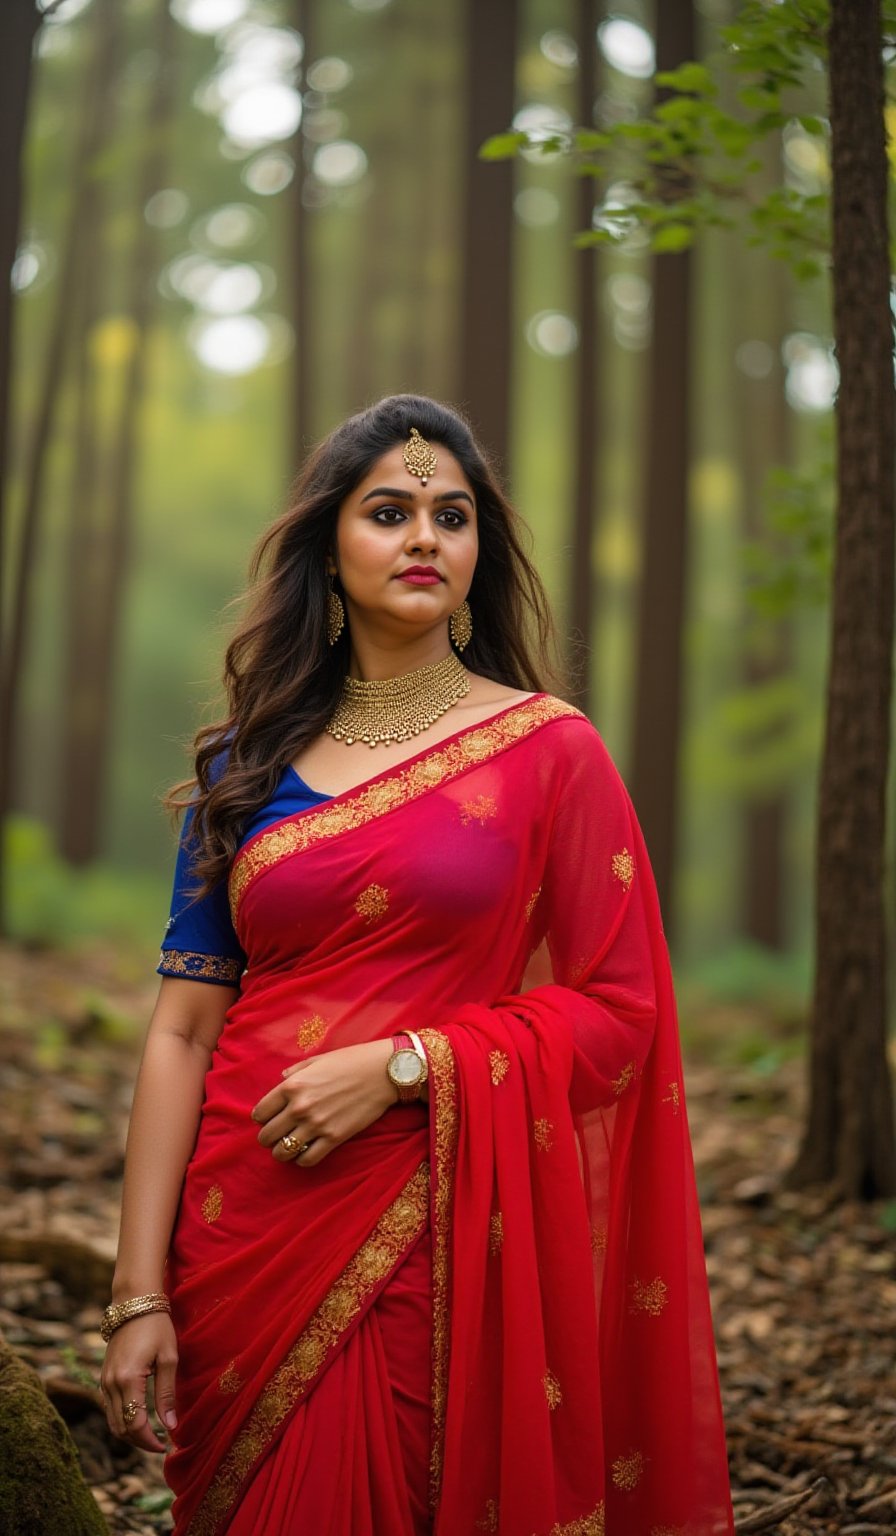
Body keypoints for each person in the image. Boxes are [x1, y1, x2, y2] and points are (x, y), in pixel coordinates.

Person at [100, 395, 735, 1536]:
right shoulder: (247, 761)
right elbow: (181, 1030)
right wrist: (136, 1291)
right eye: (387, 511)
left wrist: (407, 1065)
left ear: (479, 548)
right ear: (327, 549)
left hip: (438, 1223)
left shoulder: (550, 752)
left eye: (451, 514)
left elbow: (619, 1013)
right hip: (241, 1227)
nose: (424, 537)